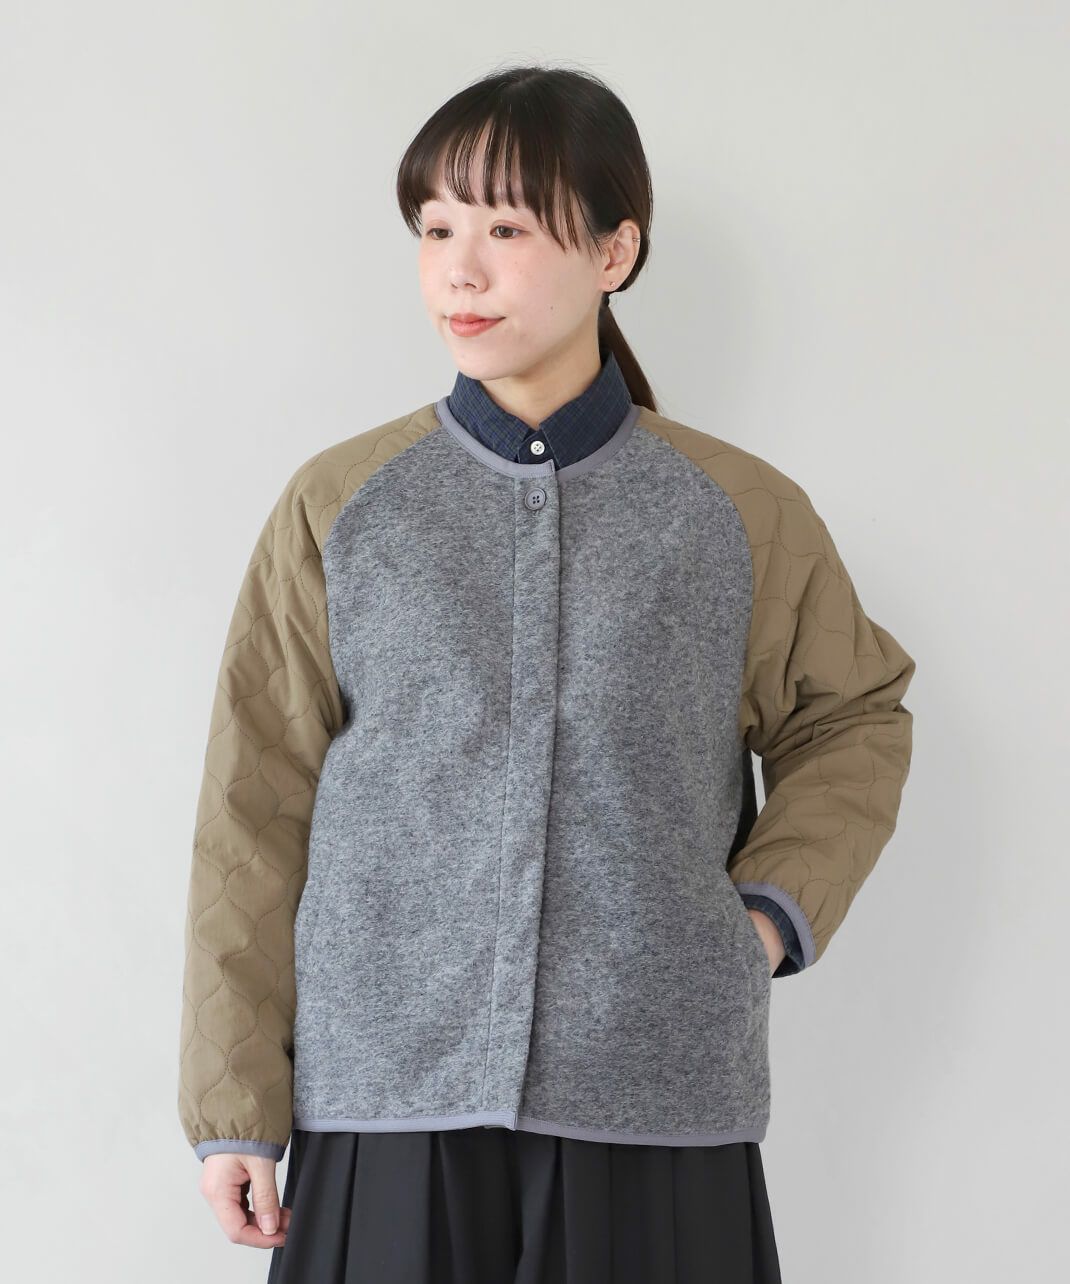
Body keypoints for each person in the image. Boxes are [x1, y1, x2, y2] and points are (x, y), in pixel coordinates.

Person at [178, 63, 915, 1283]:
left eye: (507, 230)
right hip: (386, 1097)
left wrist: (760, 922)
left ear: (615, 252)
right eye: (436, 230)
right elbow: (252, 808)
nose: (459, 272)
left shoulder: (735, 512)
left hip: (651, 1090)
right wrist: (233, 1102)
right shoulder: (342, 505)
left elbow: (853, 716)